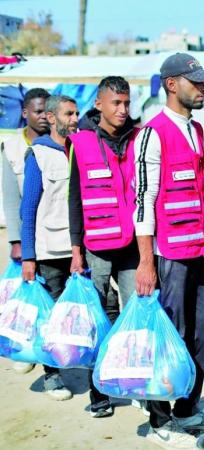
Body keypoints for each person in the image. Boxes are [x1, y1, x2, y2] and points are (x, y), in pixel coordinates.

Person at [133, 53, 204, 449]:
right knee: (170, 336)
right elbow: (144, 200)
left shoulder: (197, 130)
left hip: (197, 249)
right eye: (195, 82)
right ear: (171, 84)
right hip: (167, 256)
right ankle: (159, 418)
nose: (202, 88)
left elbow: (196, 195)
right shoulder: (152, 133)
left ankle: (186, 407)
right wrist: (146, 262)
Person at [66, 76, 140, 418]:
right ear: (99, 105)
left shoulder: (139, 138)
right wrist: (77, 251)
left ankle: (133, 383)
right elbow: (75, 200)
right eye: (116, 103)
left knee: (134, 315)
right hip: (95, 246)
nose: (123, 110)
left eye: (126, 103)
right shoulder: (79, 142)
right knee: (96, 320)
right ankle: (99, 393)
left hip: (130, 246)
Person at [20, 94, 79, 401]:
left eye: (77, 113)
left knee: (79, 310)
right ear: (53, 118)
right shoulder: (39, 155)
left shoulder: (80, 149)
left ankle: (81, 360)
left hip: (78, 247)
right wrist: (28, 256)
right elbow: (28, 208)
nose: (74, 119)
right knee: (50, 315)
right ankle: (52, 376)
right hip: (49, 250)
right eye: (69, 113)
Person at [0, 88, 50, 375]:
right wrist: (17, 240)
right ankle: (27, 347)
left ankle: (50, 354)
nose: (43, 116)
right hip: (28, 235)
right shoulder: (12, 147)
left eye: (47, 110)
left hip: (55, 233)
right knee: (30, 296)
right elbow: (10, 197)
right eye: (37, 111)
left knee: (51, 295)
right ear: (24, 113)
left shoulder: (61, 143)